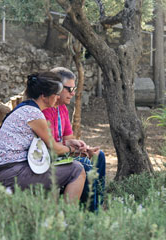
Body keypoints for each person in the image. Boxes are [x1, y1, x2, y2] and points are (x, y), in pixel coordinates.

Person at [0, 72, 86, 204]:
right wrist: (72, 149)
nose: (58, 97)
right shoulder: (34, 114)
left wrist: (68, 146)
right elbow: (55, 148)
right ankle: (67, 218)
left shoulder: (25, 108)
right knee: (77, 169)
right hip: (12, 174)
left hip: (5, 172)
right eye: (56, 94)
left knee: (58, 169)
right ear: (44, 96)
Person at [42, 67, 106, 211]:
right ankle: (88, 212)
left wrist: (82, 148)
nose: (73, 93)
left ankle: (97, 205)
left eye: (74, 88)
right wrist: (76, 152)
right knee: (84, 163)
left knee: (98, 156)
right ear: (56, 88)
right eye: (69, 89)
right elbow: (50, 145)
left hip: (62, 152)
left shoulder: (62, 108)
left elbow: (68, 138)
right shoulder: (45, 110)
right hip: (49, 157)